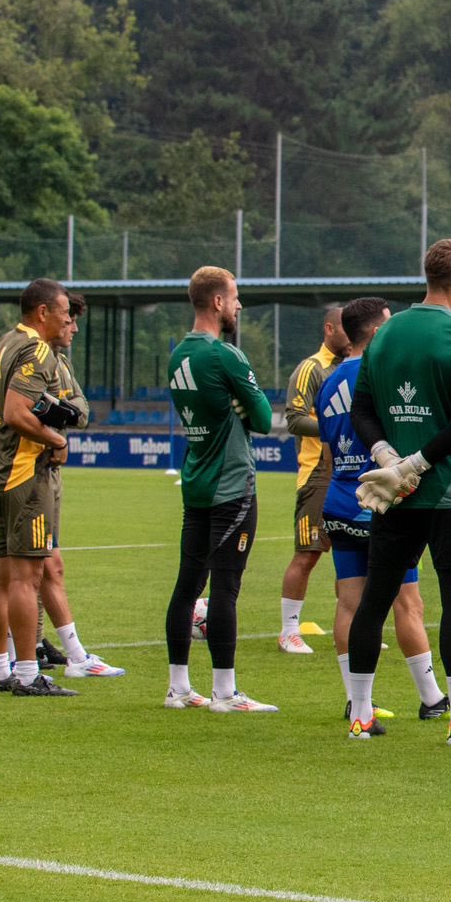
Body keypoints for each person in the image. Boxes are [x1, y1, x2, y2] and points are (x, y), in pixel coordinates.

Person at [345, 239, 451, 746]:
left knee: (375, 598)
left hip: (396, 494)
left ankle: (360, 716)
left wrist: (387, 462)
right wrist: (413, 466)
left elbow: (362, 410)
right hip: (449, 492)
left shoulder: (386, 332)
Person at [316, 298, 451, 729]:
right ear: (376, 335)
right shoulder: (380, 374)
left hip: (341, 498)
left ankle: (358, 704)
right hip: (379, 501)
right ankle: (432, 698)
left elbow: (327, 449)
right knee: (407, 602)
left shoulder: (328, 380)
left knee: (350, 602)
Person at [0, 278, 80, 696]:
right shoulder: (38, 350)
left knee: (0, 577)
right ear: (43, 312)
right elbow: (14, 411)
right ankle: (27, 675)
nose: (68, 319)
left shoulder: (5, 342)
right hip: (25, 475)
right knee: (29, 577)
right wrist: (56, 440)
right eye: (64, 311)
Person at [162, 266, 278, 713]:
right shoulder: (227, 356)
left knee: (187, 585)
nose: (238, 306)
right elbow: (266, 420)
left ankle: (178, 688)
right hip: (232, 484)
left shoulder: (178, 356)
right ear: (216, 302)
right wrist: (244, 409)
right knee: (226, 588)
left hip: (196, 484)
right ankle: (225, 693)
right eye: (234, 297)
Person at [33, 291, 123, 679]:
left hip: (43, 469)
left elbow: (81, 410)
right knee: (43, 563)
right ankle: (73, 656)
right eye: (68, 318)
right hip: (28, 471)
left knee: (33, 563)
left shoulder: (59, 361)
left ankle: (29, 646)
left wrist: (60, 421)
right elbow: (19, 405)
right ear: (47, 315)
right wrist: (56, 431)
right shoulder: (30, 357)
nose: (74, 327)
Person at [275, 306, 346, 655]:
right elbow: (294, 419)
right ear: (329, 328)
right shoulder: (311, 368)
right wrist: (335, 427)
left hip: (350, 471)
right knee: (308, 554)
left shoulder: (354, 368)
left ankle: (348, 628)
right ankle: (289, 631)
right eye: (345, 328)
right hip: (318, 473)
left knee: (351, 554)